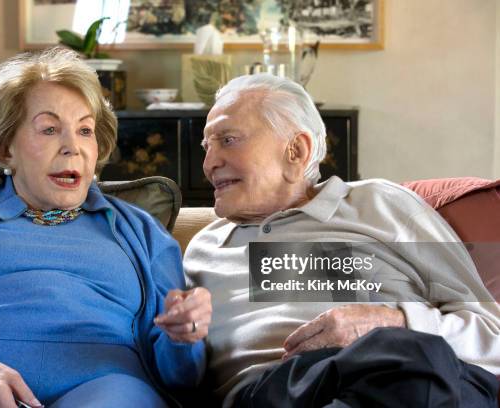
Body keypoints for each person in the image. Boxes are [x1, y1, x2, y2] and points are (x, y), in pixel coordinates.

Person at [0, 47, 212, 408]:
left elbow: (180, 379)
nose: (72, 147)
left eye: (85, 130)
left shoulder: (145, 235)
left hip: (107, 386)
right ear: (4, 148)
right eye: (49, 129)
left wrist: (185, 338)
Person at [184, 73, 500, 407]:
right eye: (207, 147)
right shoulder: (204, 249)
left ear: (296, 150)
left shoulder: (383, 205)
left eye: (228, 140)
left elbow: (492, 337)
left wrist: (395, 325)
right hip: (281, 391)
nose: (208, 164)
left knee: (414, 360)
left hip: (418, 374)